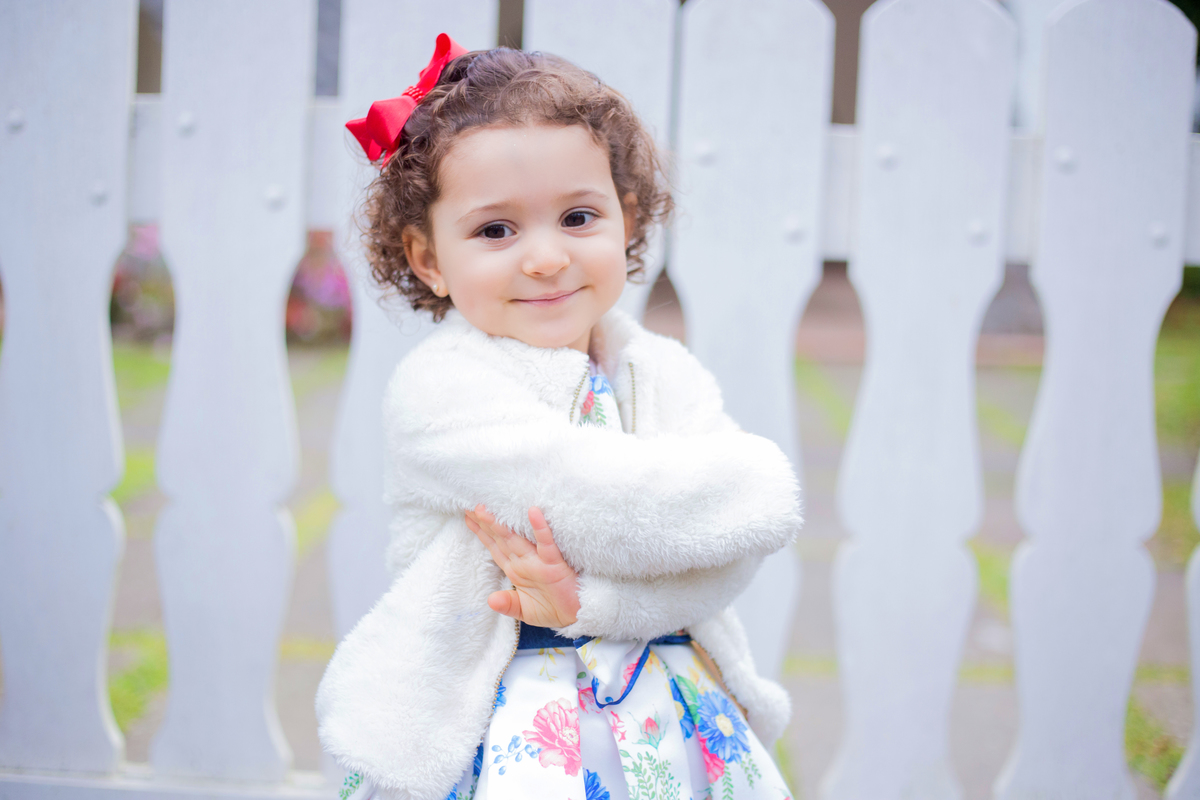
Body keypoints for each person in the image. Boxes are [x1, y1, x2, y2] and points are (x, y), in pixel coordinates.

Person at [316, 34, 803, 800]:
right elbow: (600, 503)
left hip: (672, 712)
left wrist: (596, 602)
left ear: (626, 218)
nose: (544, 257)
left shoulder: (660, 370)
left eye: (578, 216)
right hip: (504, 713)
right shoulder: (442, 391)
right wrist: (739, 491)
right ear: (428, 259)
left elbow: (730, 553)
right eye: (496, 230)